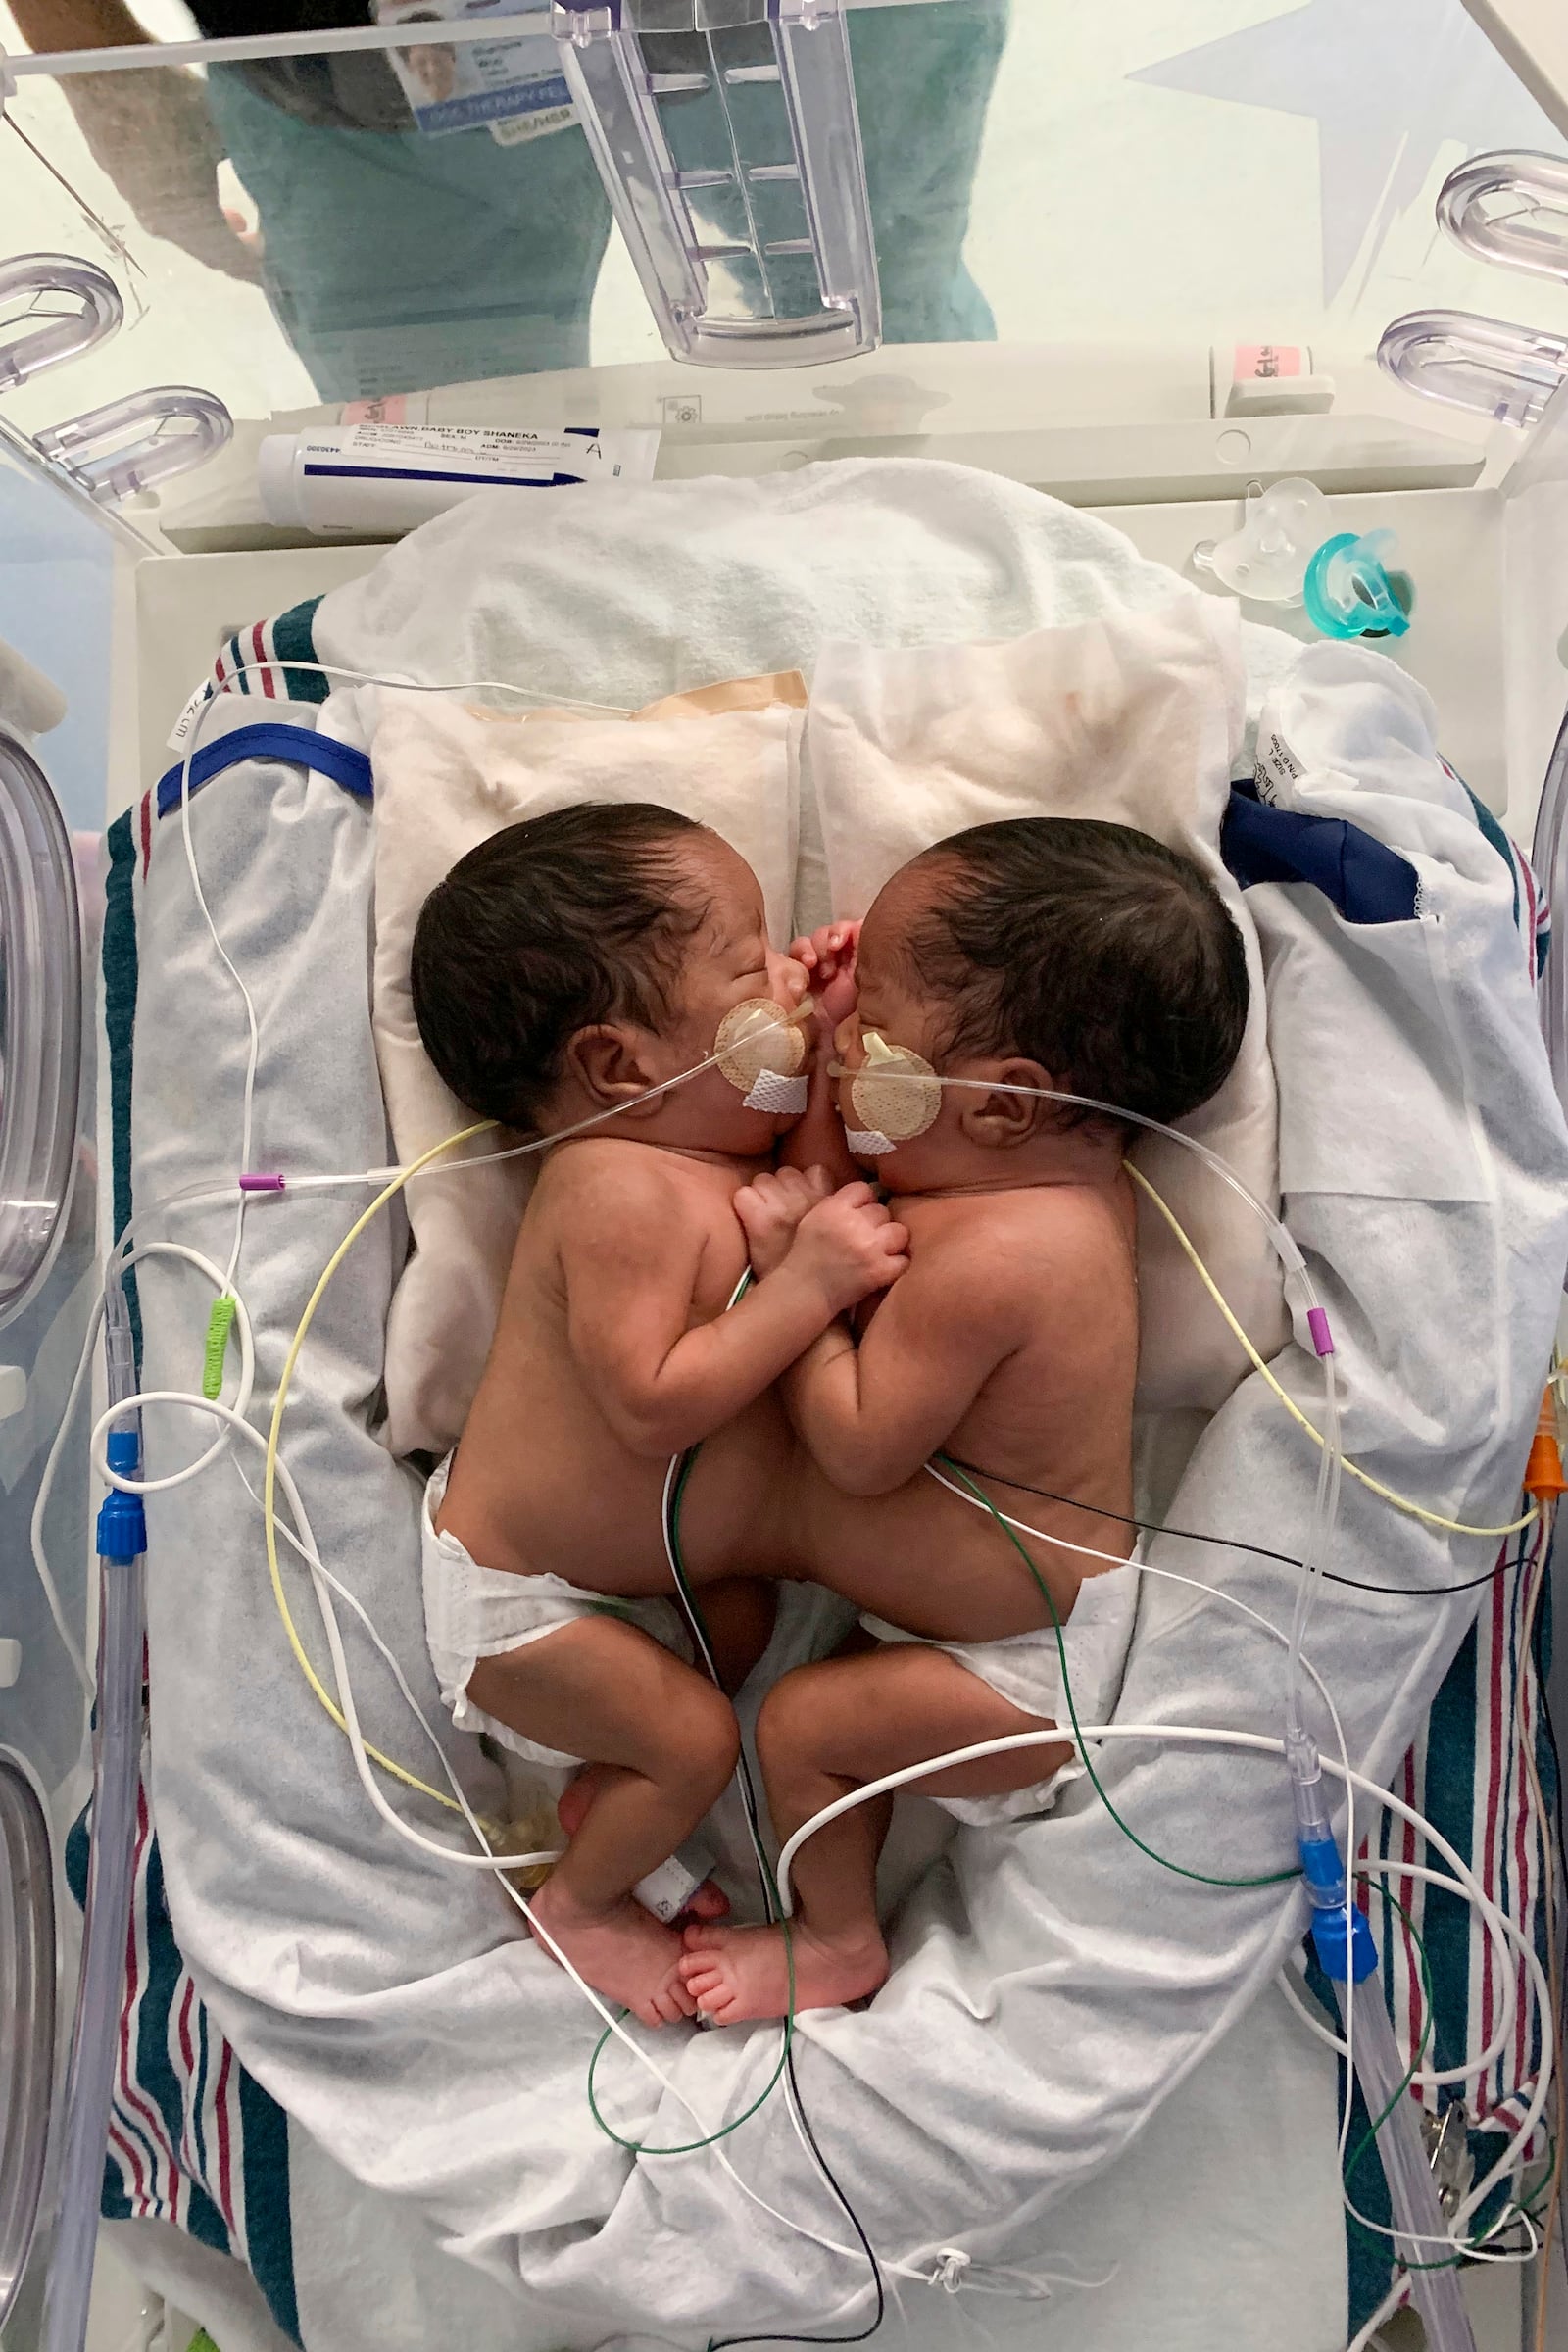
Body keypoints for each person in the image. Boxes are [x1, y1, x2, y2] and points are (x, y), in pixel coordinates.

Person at [679, 816, 1252, 2022]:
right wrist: (841, 1029)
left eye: (872, 1034)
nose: (840, 1060)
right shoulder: (1006, 1180)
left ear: (1001, 1099)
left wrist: (802, 1292)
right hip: (961, 1636)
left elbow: (858, 1442)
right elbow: (849, 1177)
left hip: (1018, 1687)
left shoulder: (999, 1260)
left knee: (801, 1725)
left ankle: (836, 1941)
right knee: (793, 1678)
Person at [408, 802, 908, 2027]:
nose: (785, 981)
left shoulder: (712, 1151)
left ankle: (609, 1793)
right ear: (619, 1066)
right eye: (753, 971)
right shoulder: (612, 1188)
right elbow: (647, 1407)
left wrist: (835, 1029)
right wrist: (804, 1288)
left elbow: (805, 1165)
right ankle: (576, 1904)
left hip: (651, 1602)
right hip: (525, 1607)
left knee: (751, 1649)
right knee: (693, 1739)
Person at [10, 0, 1007, 402]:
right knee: (450, 441)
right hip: (383, 66)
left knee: (887, 364)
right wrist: (106, 74)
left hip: (822, 24)